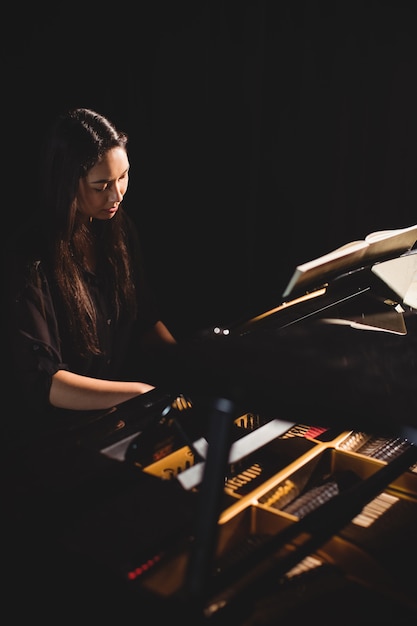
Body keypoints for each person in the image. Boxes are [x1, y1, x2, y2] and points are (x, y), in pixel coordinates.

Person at [6, 107, 179, 445]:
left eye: (124, 177)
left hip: (111, 424)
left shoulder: (118, 229)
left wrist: (197, 369)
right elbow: (47, 381)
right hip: (50, 440)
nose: (116, 195)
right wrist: (139, 393)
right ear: (67, 182)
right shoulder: (29, 258)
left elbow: (144, 319)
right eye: (101, 186)